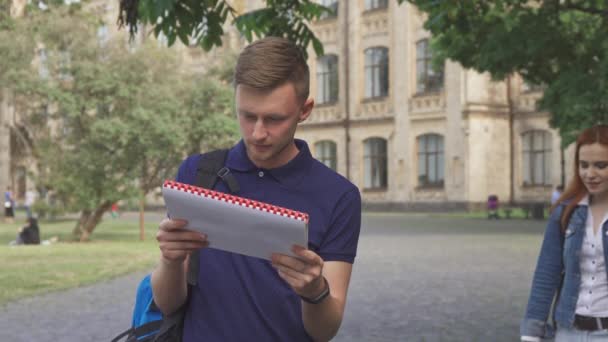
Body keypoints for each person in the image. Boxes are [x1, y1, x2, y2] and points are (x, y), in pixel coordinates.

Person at [152, 37, 362, 341]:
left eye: (274, 119)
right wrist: (170, 260)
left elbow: (324, 331)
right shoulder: (197, 173)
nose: (258, 133)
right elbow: (167, 303)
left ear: (305, 110)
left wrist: (314, 292)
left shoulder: (339, 196)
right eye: (247, 115)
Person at [521, 125, 608, 341]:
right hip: (568, 332)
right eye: (584, 165)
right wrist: (531, 332)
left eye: (601, 165)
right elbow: (546, 273)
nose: (590, 174)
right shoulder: (566, 211)